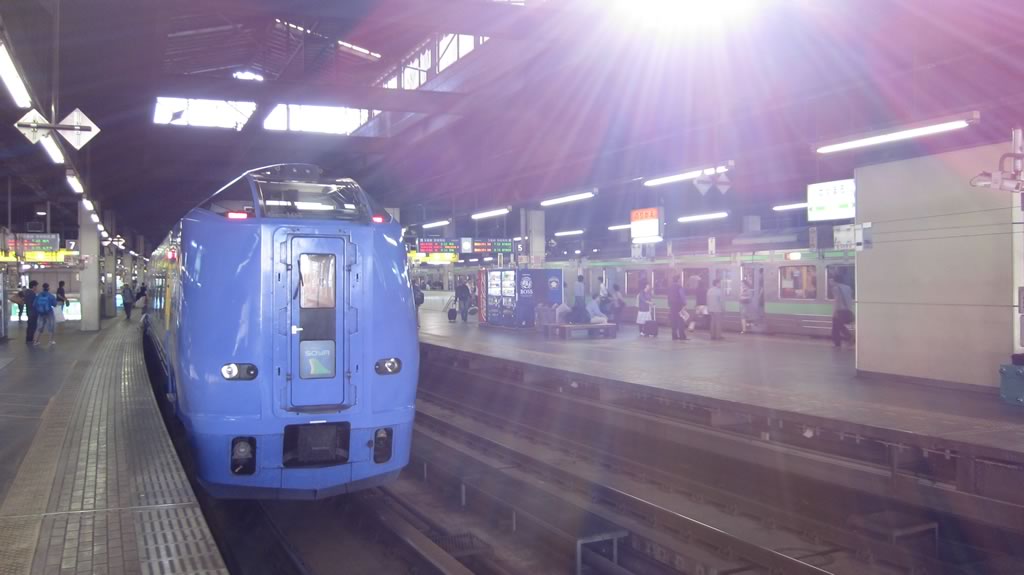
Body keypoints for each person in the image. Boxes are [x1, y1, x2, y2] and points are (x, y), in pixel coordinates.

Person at [830, 277, 855, 347]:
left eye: (831, 281)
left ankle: (837, 343)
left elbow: (837, 301)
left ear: (835, 281)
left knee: (835, 328)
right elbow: (849, 299)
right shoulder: (848, 287)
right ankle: (850, 337)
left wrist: (834, 312)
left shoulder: (835, 288)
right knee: (839, 326)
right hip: (848, 310)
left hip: (840, 311)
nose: (830, 283)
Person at [668, 276, 688, 341]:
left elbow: (668, 297)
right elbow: (682, 296)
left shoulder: (670, 287)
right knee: (680, 320)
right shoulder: (679, 287)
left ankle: (674, 336)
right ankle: (682, 336)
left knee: (673, 321)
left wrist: (669, 304)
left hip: (672, 306)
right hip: (678, 306)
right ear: (678, 280)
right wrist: (685, 303)